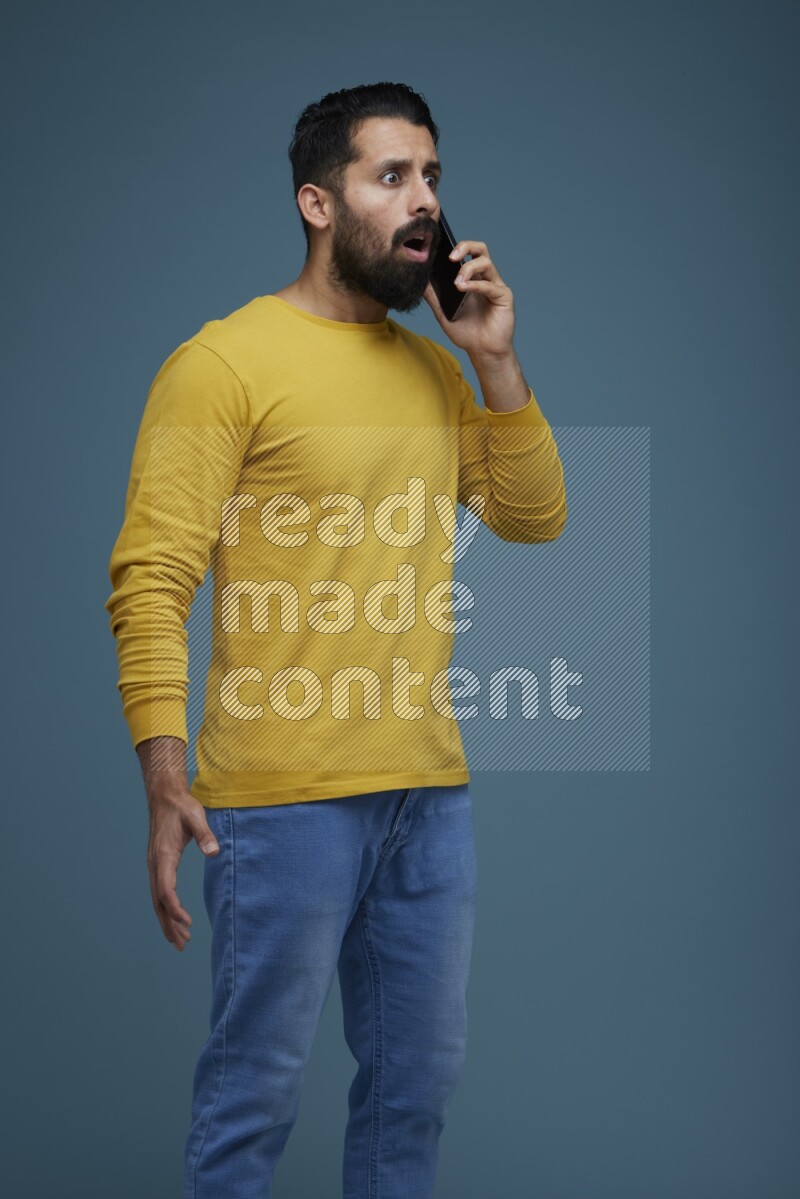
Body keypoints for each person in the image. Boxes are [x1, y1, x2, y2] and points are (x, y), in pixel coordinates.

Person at [104, 81, 567, 1199]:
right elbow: (151, 578)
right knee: (252, 1095)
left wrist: (496, 362)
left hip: (425, 796)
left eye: (433, 177)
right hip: (279, 803)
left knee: (413, 1096)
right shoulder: (222, 364)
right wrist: (165, 771)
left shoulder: (433, 370)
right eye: (391, 176)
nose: (424, 202)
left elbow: (533, 515)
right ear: (319, 201)